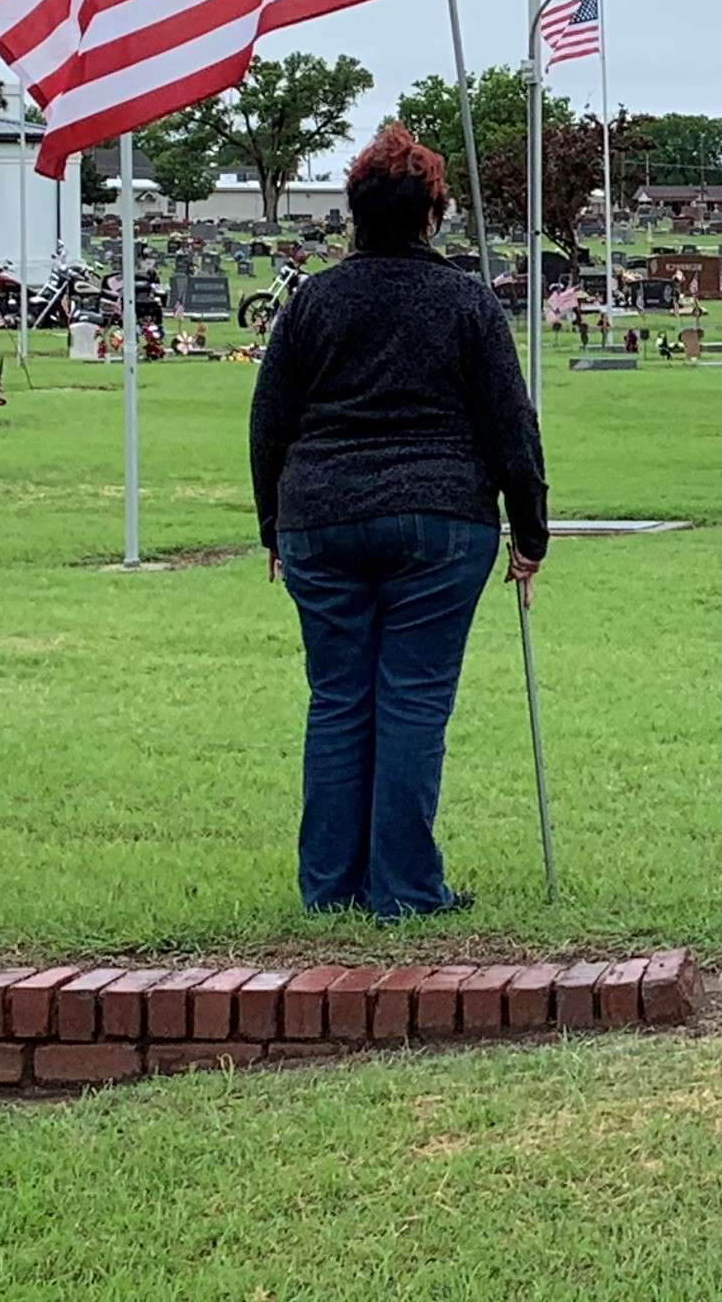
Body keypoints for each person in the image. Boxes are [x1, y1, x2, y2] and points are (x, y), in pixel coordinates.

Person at [246, 124, 549, 918]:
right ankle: (406, 890)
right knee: (412, 698)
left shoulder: (313, 300)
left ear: (353, 212)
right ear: (432, 214)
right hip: (441, 519)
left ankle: (330, 888)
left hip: (321, 513)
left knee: (338, 698)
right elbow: (511, 425)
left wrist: (273, 524)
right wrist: (530, 530)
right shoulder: (465, 301)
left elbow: (269, 418)